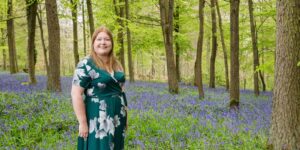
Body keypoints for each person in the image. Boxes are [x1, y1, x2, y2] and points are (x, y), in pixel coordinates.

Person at [71, 26, 128, 150]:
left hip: (118, 116)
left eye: (107, 39)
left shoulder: (116, 64)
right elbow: (76, 94)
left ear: (111, 43)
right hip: (97, 116)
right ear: (93, 43)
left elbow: (121, 91)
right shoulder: (86, 64)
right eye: (99, 39)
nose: (103, 42)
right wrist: (82, 123)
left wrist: (125, 114)